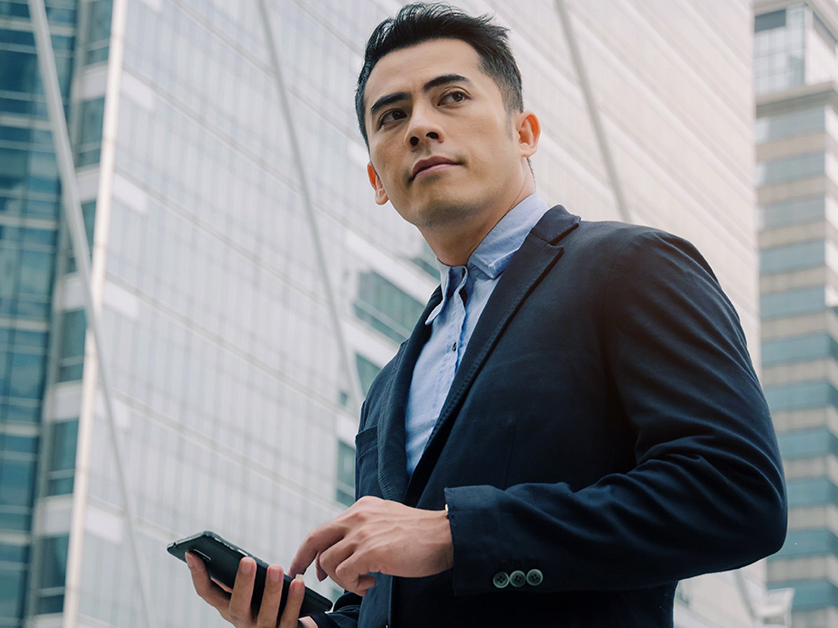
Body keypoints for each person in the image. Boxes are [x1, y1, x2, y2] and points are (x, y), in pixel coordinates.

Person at [185, 3, 787, 627]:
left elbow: (737, 494)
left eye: (450, 98)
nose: (419, 126)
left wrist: (456, 534)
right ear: (377, 179)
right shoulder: (389, 384)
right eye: (391, 116)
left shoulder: (630, 266)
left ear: (524, 133)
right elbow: (393, 592)